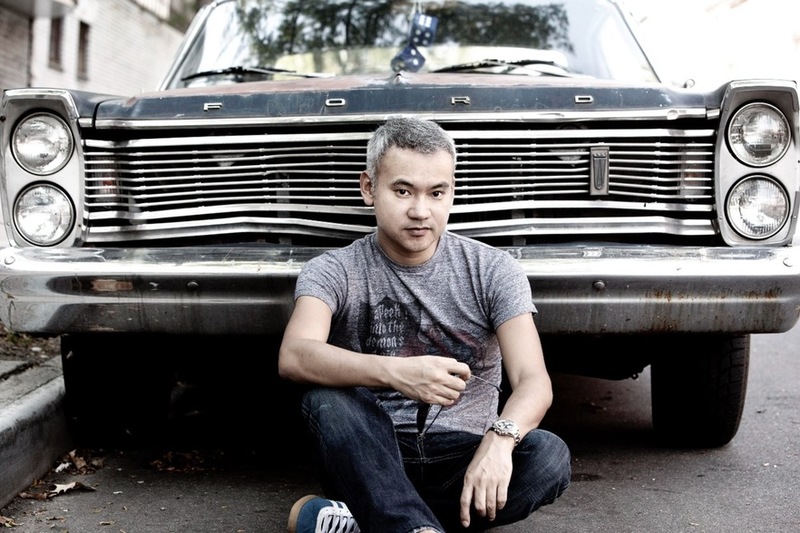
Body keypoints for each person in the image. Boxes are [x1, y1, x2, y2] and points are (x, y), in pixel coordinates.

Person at [278, 116, 571, 533]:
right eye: (402, 191)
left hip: (465, 453)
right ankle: (403, 520)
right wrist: (397, 373)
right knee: (327, 401)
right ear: (368, 188)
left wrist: (500, 441)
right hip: (374, 454)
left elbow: (533, 381)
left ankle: (374, 520)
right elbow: (295, 355)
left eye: (436, 192)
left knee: (549, 456)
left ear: (452, 191)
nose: (420, 211)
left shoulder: (493, 269)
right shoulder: (333, 270)